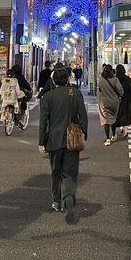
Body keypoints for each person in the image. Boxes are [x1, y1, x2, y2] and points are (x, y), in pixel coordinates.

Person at [39, 66, 88, 223]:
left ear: (54, 80)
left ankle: (56, 201)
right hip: (72, 139)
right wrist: (84, 131)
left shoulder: (47, 97)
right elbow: (83, 115)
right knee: (70, 172)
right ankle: (69, 197)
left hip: (54, 139)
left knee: (56, 171)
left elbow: (43, 122)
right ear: (68, 79)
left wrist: (41, 142)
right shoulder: (76, 94)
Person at [98, 64, 123, 145]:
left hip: (104, 102)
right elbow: (120, 91)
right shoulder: (115, 79)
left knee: (106, 119)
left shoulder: (101, 80)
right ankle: (113, 134)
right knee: (113, 118)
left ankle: (107, 138)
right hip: (114, 102)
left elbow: (99, 91)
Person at [115, 63, 131, 137]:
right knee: (126, 114)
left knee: (118, 114)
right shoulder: (128, 79)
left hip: (117, 100)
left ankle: (121, 127)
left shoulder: (115, 79)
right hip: (127, 100)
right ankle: (125, 129)